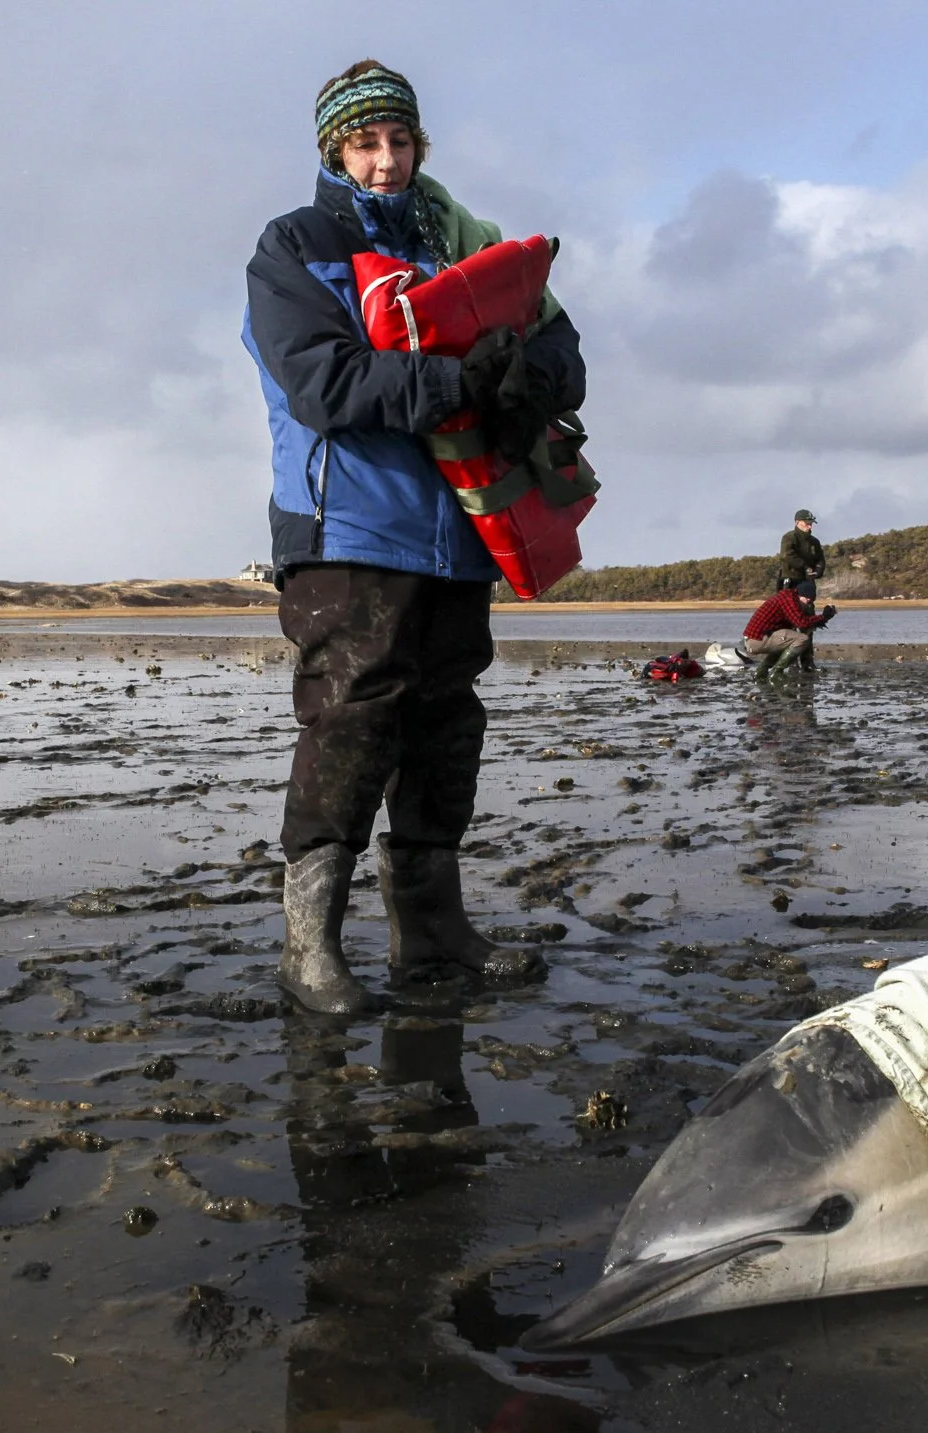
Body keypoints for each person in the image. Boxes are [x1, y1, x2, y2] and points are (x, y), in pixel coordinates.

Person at [243, 60, 586, 1015]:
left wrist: (529, 376)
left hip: (462, 527)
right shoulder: (293, 248)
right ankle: (308, 947)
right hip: (350, 521)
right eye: (366, 143)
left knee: (445, 719)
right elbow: (326, 383)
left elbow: (562, 347)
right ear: (334, 151)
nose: (387, 161)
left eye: (400, 141)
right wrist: (460, 385)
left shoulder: (462, 242)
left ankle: (433, 935)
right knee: (352, 714)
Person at [743, 583, 836, 678]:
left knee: (790, 641)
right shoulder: (788, 599)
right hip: (755, 640)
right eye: (808, 600)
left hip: (755, 638)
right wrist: (823, 616)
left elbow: (803, 623)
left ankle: (761, 672)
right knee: (802, 639)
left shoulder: (789, 597)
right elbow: (801, 622)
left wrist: (824, 619)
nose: (808, 603)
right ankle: (776, 672)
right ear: (804, 596)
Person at [777, 510, 826, 591]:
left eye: (811, 524)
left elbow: (820, 559)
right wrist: (805, 567)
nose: (810, 526)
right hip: (791, 579)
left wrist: (818, 571)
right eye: (807, 524)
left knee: (807, 603)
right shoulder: (789, 537)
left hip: (808, 581)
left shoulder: (814, 541)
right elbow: (786, 555)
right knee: (789, 603)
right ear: (797, 522)